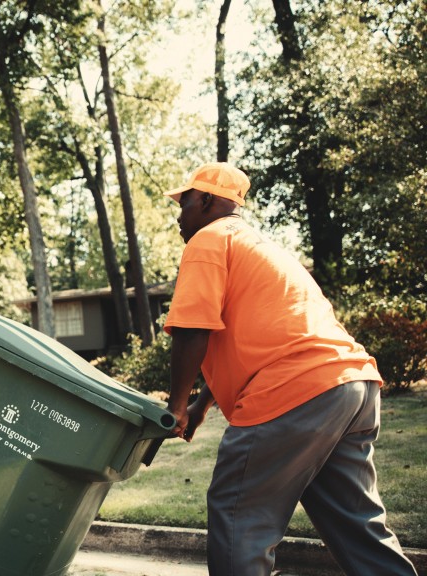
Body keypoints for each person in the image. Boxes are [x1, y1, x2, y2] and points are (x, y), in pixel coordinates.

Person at [162, 162, 417, 576]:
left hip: (293, 391)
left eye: (184, 201)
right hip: (351, 385)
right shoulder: (260, 246)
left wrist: (175, 405)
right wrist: (202, 404)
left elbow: (193, 328)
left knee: (238, 516)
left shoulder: (208, 241)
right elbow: (256, 335)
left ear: (207, 200)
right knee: (357, 528)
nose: (179, 214)